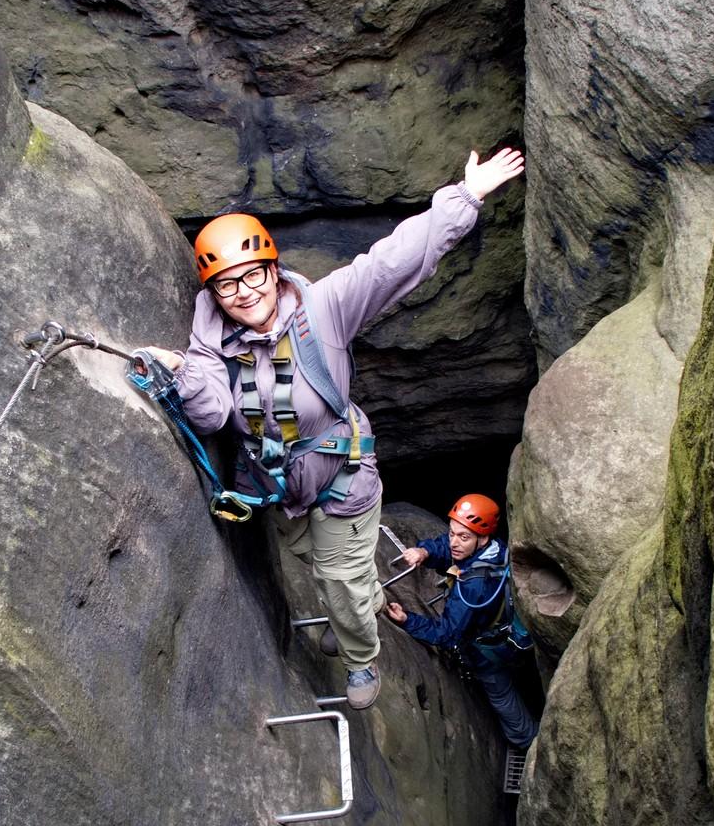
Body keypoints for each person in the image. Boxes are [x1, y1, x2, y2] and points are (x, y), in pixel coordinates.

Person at [147, 148, 526, 710]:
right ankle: (360, 602)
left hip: (344, 477)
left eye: (253, 275)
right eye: (228, 285)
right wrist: (182, 371)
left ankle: (361, 656)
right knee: (319, 564)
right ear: (214, 294)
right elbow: (208, 415)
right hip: (282, 488)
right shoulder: (213, 343)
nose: (245, 292)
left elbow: (391, 262)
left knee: (340, 581)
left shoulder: (323, 310)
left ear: (273, 269)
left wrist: (464, 197)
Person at [387, 494, 539, 783]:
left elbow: (448, 634)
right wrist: (424, 552)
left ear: (482, 538)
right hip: (504, 633)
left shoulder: (473, 587)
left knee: (502, 696)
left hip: (489, 654)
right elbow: (451, 550)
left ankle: (531, 746)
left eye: (464, 537)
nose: (454, 542)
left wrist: (408, 620)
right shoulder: (495, 550)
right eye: (452, 533)